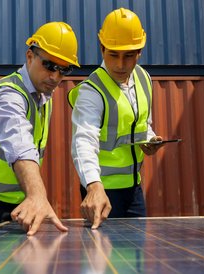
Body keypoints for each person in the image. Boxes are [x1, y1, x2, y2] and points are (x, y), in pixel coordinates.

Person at [0, 22, 80, 236]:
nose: (55, 77)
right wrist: (37, 195)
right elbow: (20, 144)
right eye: (50, 65)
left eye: (64, 70)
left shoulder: (43, 94)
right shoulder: (8, 96)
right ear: (29, 56)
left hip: (16, 198)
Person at [68, 8, 164, 229]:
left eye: (129, 55)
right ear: (102, 49)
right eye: (113, 54)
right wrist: (93, 186)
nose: (121, 64)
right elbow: (83, 141)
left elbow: (141, 122)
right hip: (101, 193)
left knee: (135, 259)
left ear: (139, 52)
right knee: (103, 260)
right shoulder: (92, 91)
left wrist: (149, 139)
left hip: (134, 190)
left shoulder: (144, 79)